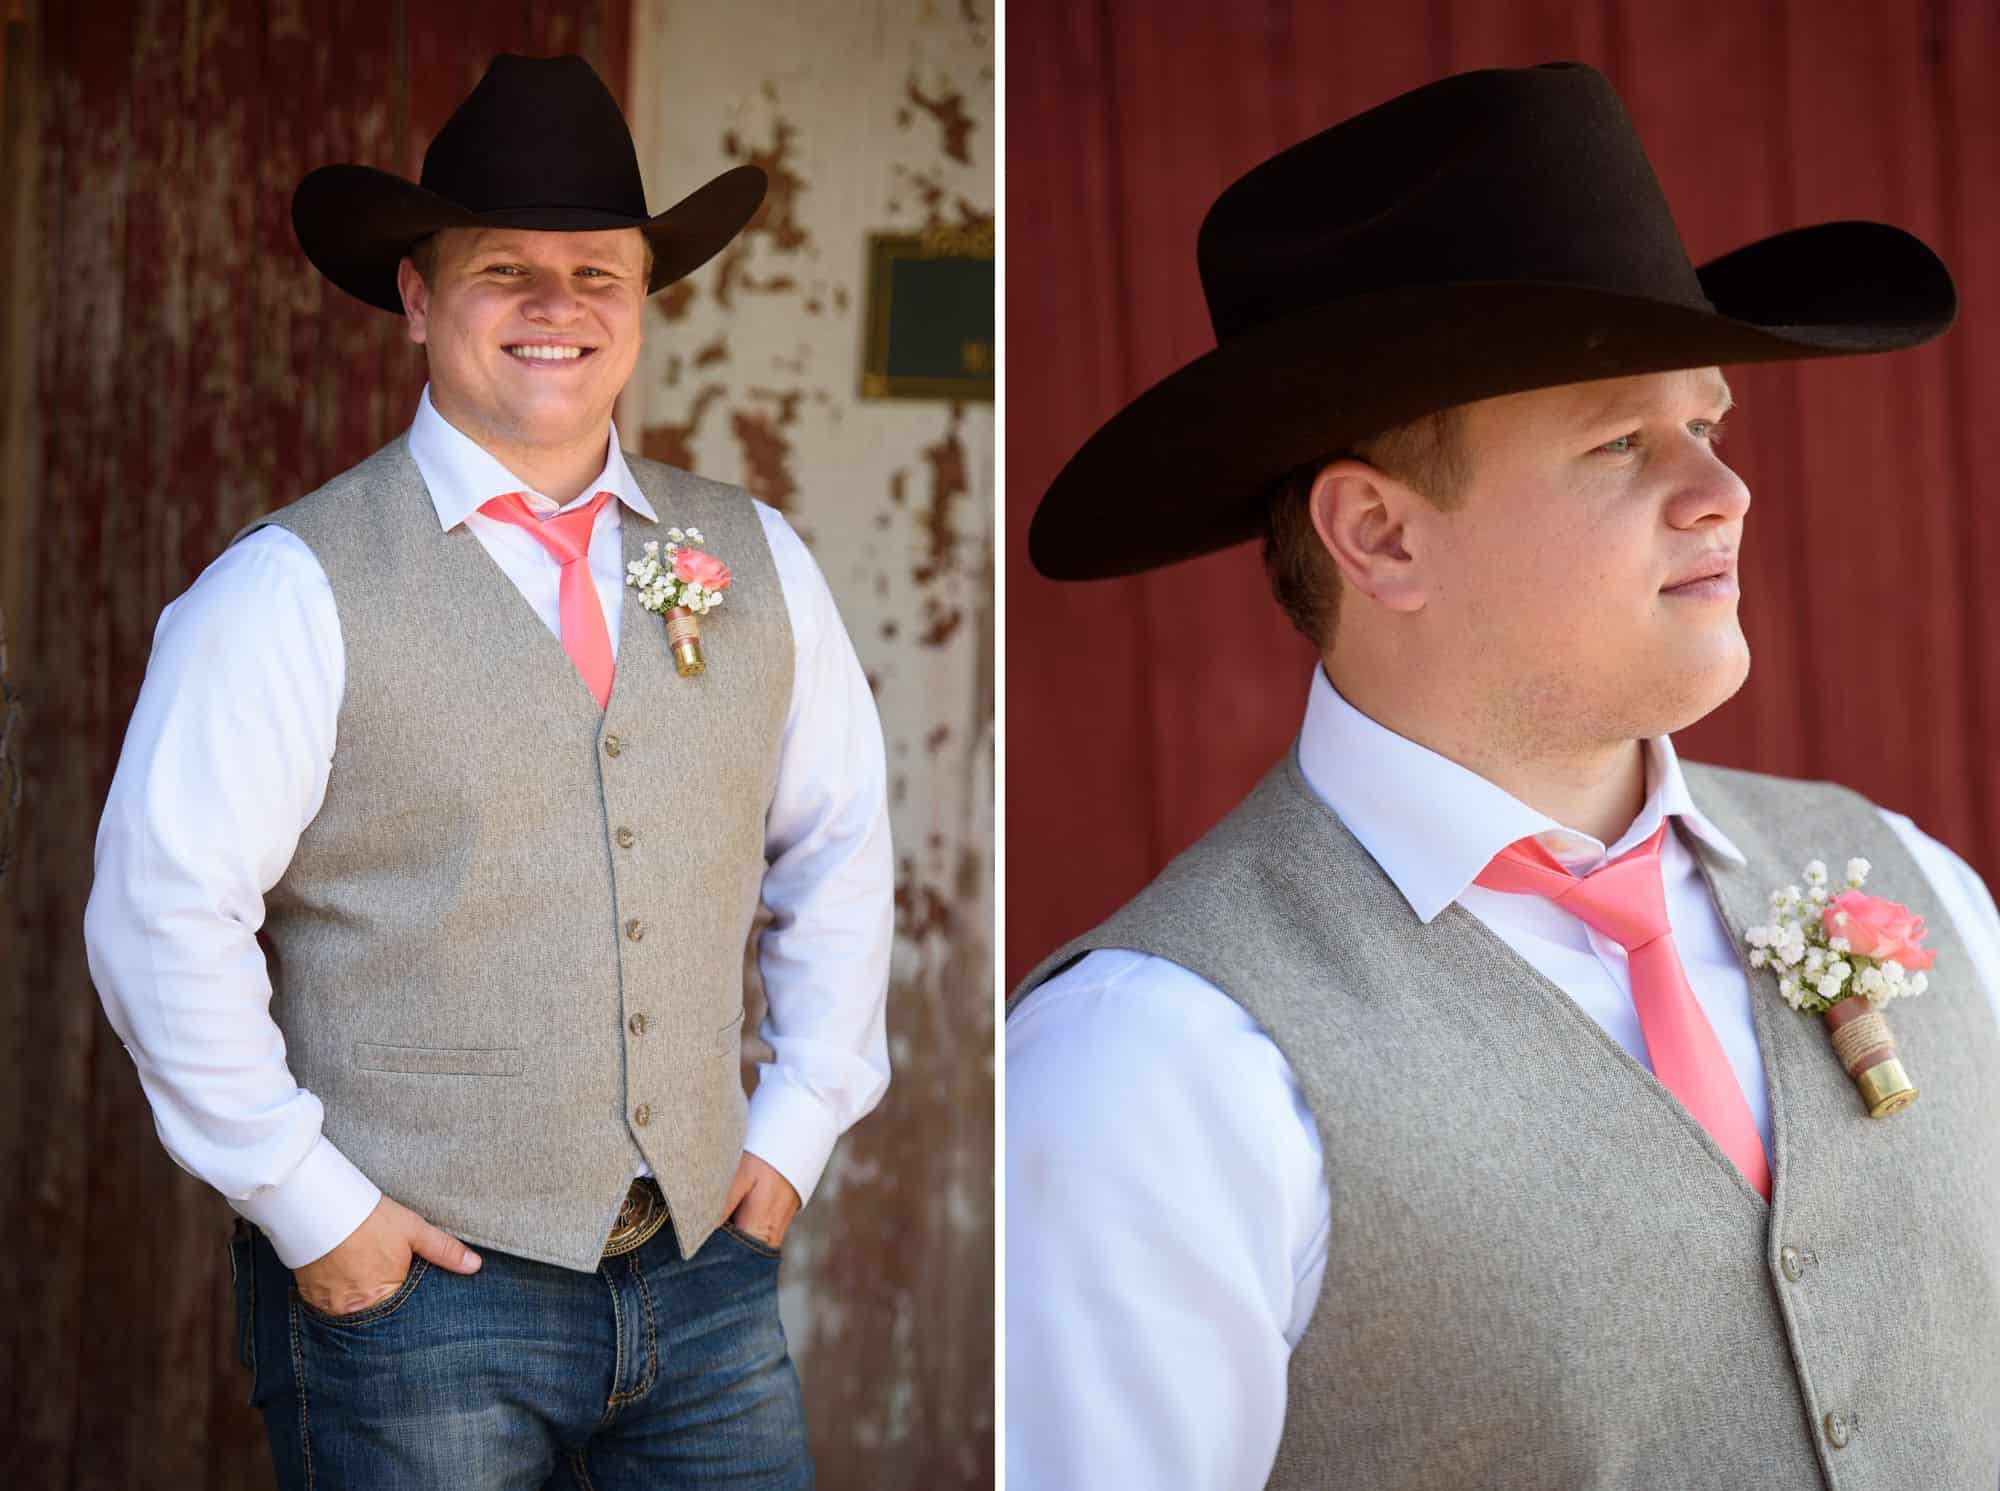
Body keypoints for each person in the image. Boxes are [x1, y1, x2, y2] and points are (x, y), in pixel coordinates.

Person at [1006, 62, 2000, 1489]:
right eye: (1619, 442)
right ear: (1381, 537)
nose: (1724, 491)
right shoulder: (1148, 1067)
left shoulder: (1927, 893)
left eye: (1707, 425)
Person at [84, 53, 891, 1489]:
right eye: (505, 269)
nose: (556, 307)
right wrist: (312, 1207)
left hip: (706, 1283)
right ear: (415, 296)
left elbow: (838, 845)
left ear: (642, 297)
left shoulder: (750, 560)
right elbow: (160, 913)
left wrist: (804, 1114)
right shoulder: (289, 589)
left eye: (598, 271)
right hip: (422, 1304)